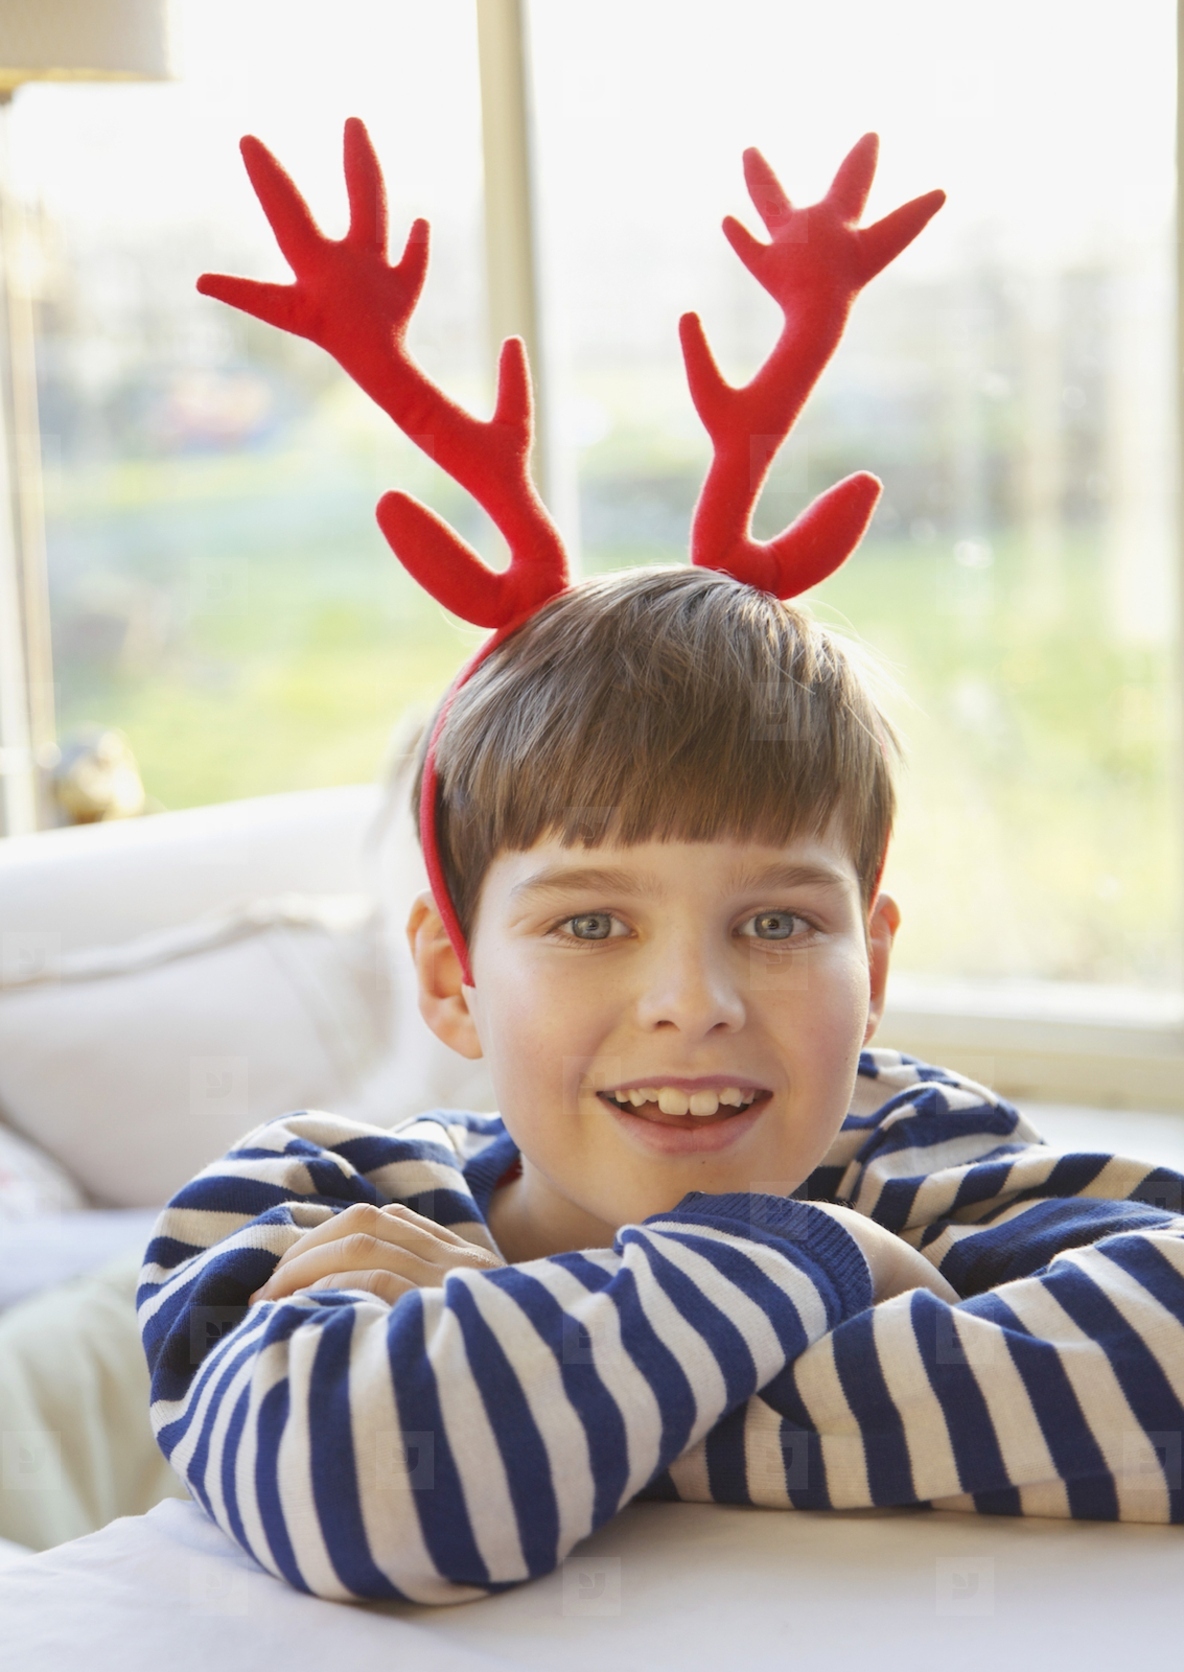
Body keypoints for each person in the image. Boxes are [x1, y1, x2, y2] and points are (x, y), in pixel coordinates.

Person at [138, 122, 1184, 1606]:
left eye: (773, 919)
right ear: (453, 977)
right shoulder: (307, 1201)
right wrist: (846, 1283)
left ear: (871, 966)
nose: (691, 998)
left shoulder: (915, 1154)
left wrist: (587, 1340)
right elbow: (381, 1489)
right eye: (588, 926)